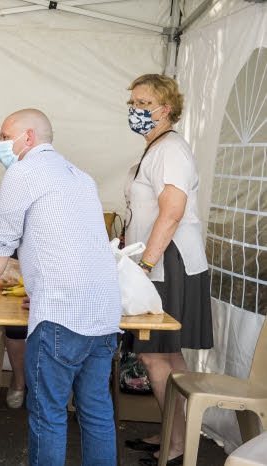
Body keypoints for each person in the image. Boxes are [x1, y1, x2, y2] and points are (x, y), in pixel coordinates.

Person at [0, 109, 122, 466]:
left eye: (6, 136)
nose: (1, 144)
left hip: (61, 315)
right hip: (103, 312)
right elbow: (73, 243)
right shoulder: (81, 178)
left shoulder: (24, 171)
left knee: (48, 415)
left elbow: (2, 241)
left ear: (29, 137)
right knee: (96, 411)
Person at [122, 74, 213, 466]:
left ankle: (176, 446)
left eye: (145, 104)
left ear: (167, 109)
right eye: (133, 103)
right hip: (162, 259)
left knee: (156, 354)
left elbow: (172, 211)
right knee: (165, 355)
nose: (136, 110)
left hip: (167, 261)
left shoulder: (170, 149)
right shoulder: (158, 147)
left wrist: (144, 265)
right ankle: (174, 432)